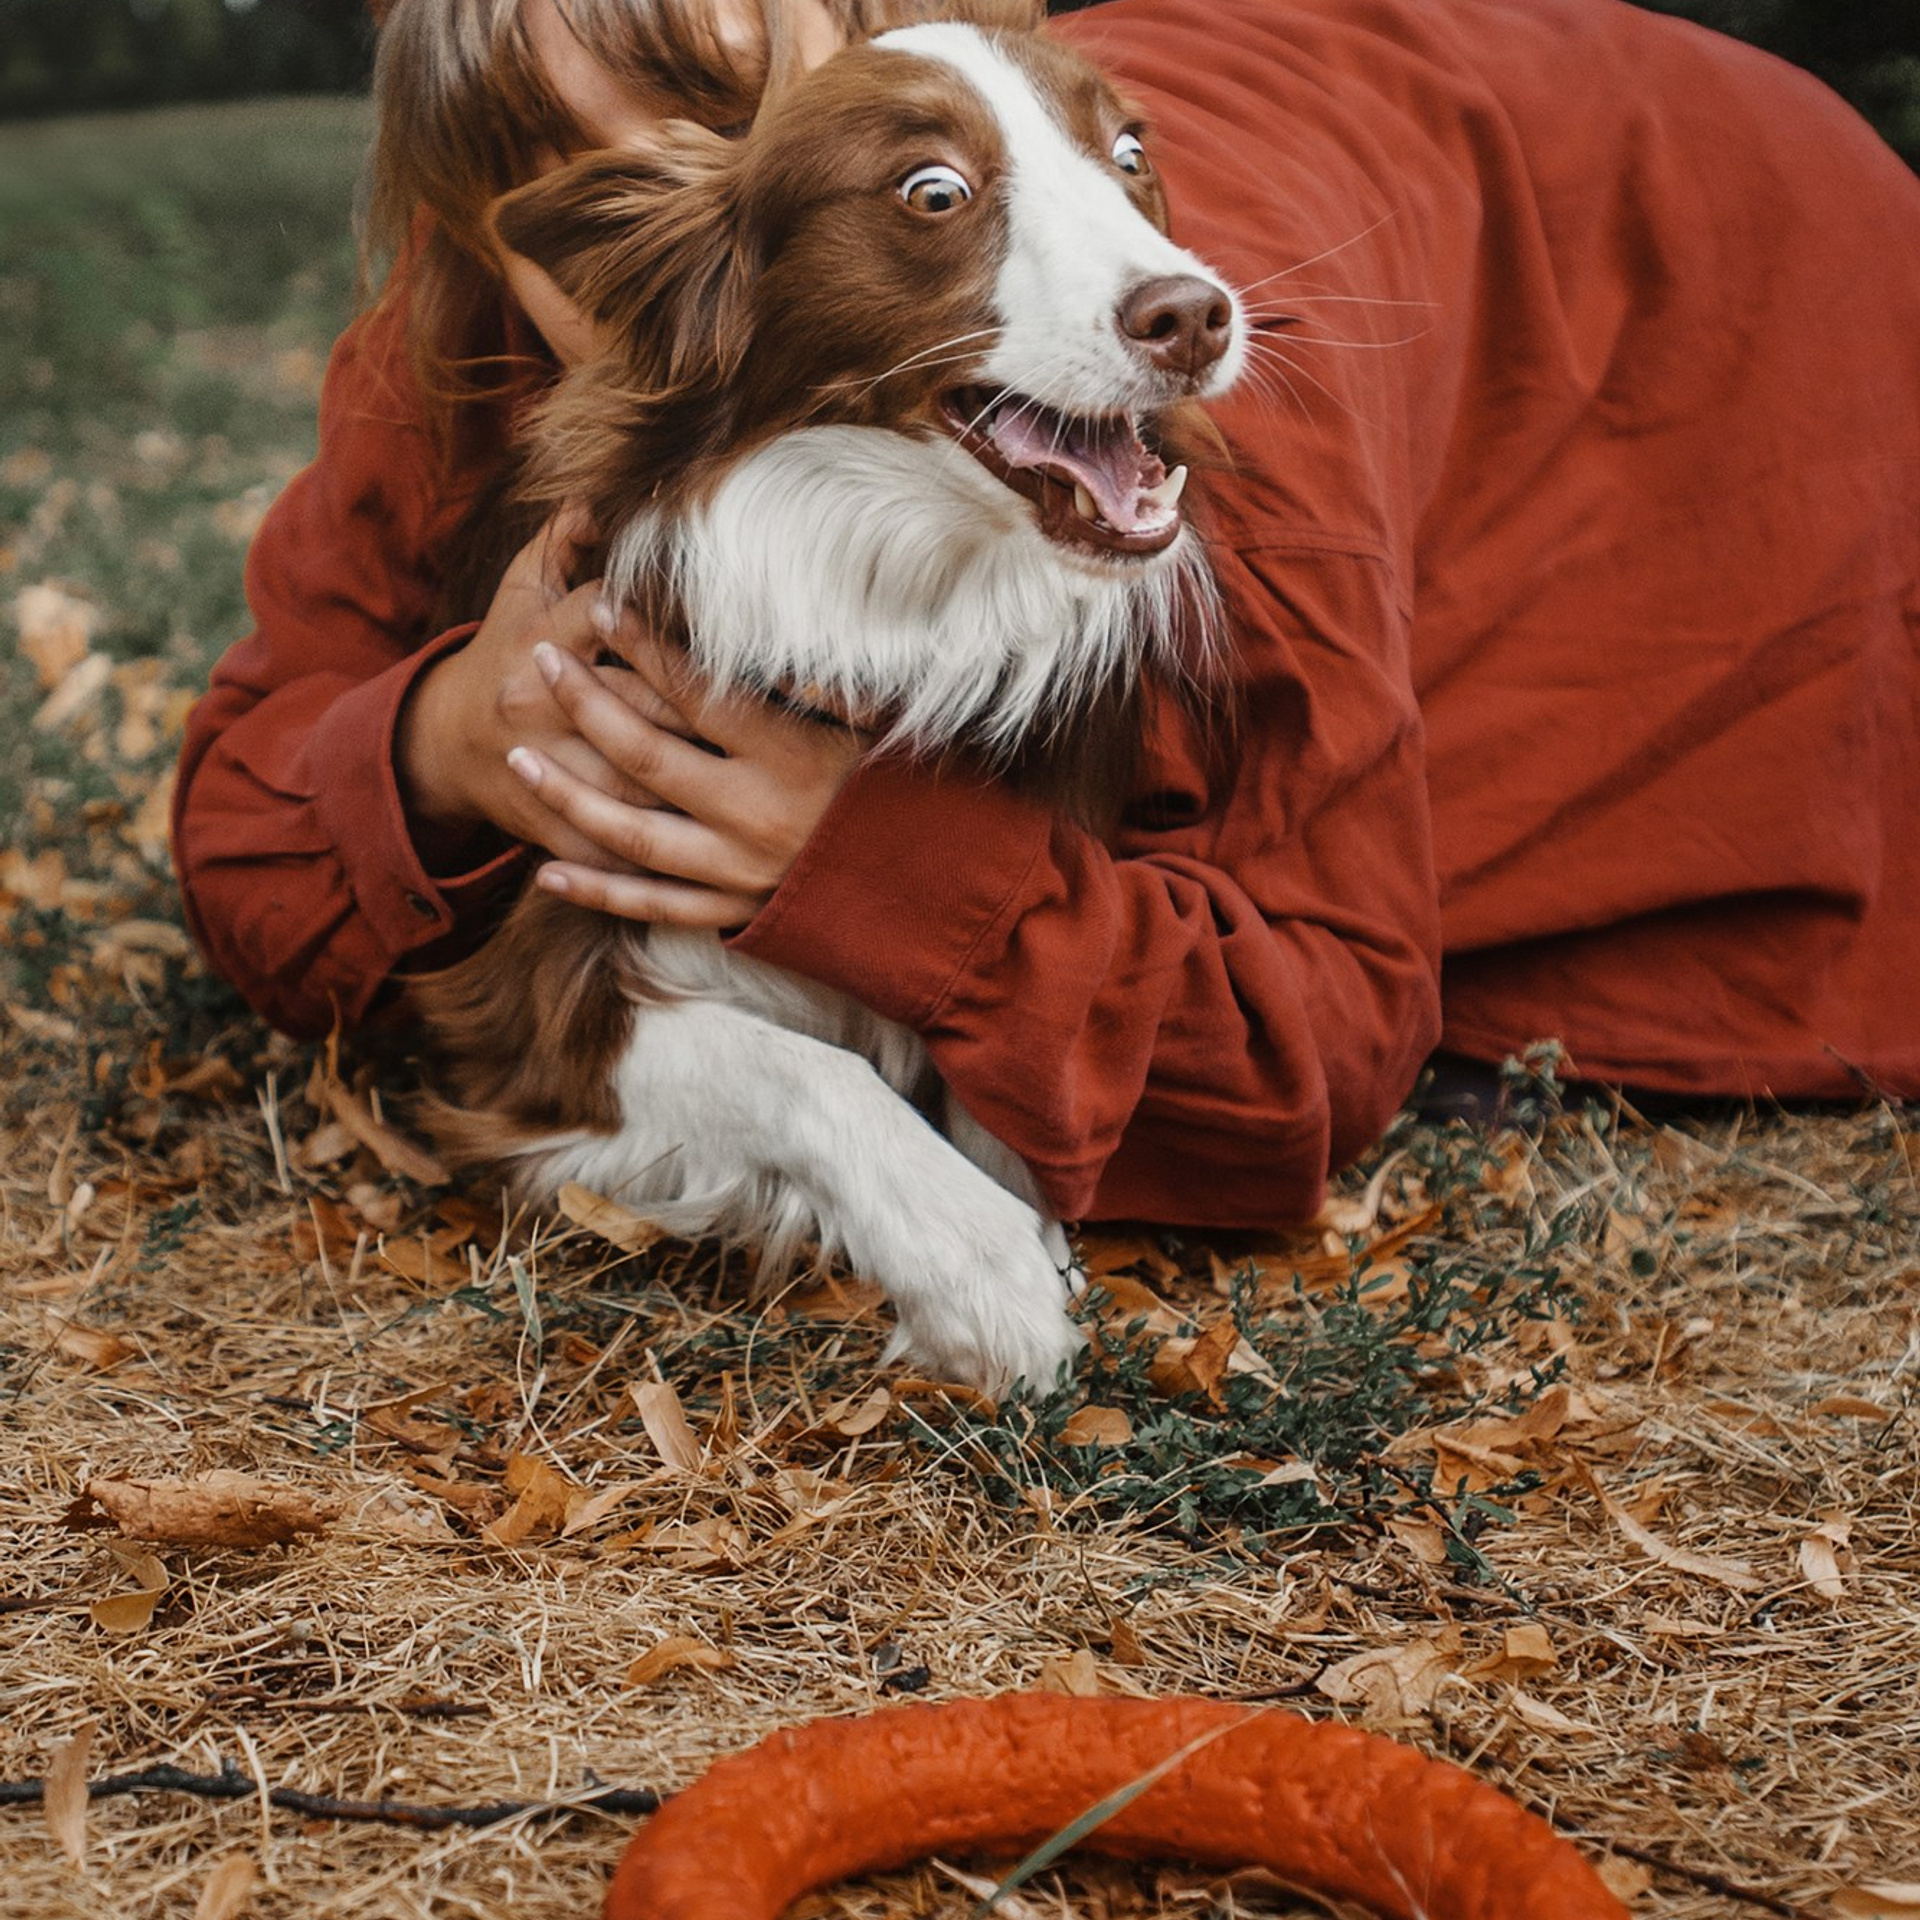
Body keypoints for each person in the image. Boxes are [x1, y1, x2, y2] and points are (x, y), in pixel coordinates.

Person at [172, 0, 1920, 1233]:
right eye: (575, 186)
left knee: (1628, 822)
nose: (674, 222)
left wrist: (868, 864)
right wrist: (440, 743)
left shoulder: (1173, 389)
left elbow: (1319, 1053)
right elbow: (244, 821)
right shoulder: (485, 324)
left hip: (1711, 240)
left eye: (731, 121)